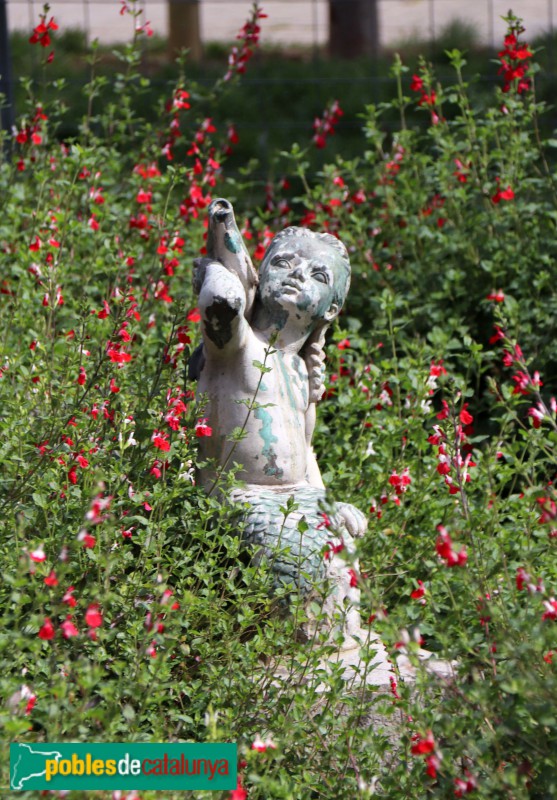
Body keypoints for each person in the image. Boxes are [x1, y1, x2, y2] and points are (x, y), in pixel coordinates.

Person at [193, 199, 366, 641]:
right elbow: (221, 303)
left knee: (340, 554)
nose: (297, 275)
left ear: (331, 308)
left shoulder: (301, 371)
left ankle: (329, 651)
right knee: (292, 552)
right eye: (285, 262)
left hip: (296, 501)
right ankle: (280, 656)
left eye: (317, 275)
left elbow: (306, 456)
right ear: (261, 271)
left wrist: (329, 503)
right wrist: (219, 269)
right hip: (238, 497)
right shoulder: (237, 347)